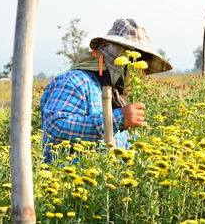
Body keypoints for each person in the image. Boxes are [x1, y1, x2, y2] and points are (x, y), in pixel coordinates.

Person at [40, 19, 172, 163]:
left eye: (144, 69)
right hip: (69, 180)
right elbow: (56, 127)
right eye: (135, 68)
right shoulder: (76, 81)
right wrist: (118, 119)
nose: (140, 75)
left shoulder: (117, 96)